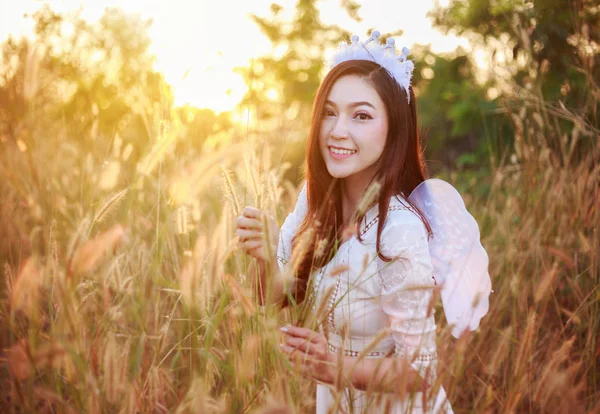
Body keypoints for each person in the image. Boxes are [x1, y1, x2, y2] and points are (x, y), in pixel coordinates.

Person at [235, 30, 492, 413]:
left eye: (361, 116)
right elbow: (274, 298)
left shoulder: (398, 229)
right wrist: (264, 256)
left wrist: (334, 365)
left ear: (393, 130)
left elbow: (420, 372)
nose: (338, 130)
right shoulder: (315, 200)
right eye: (329, 112)